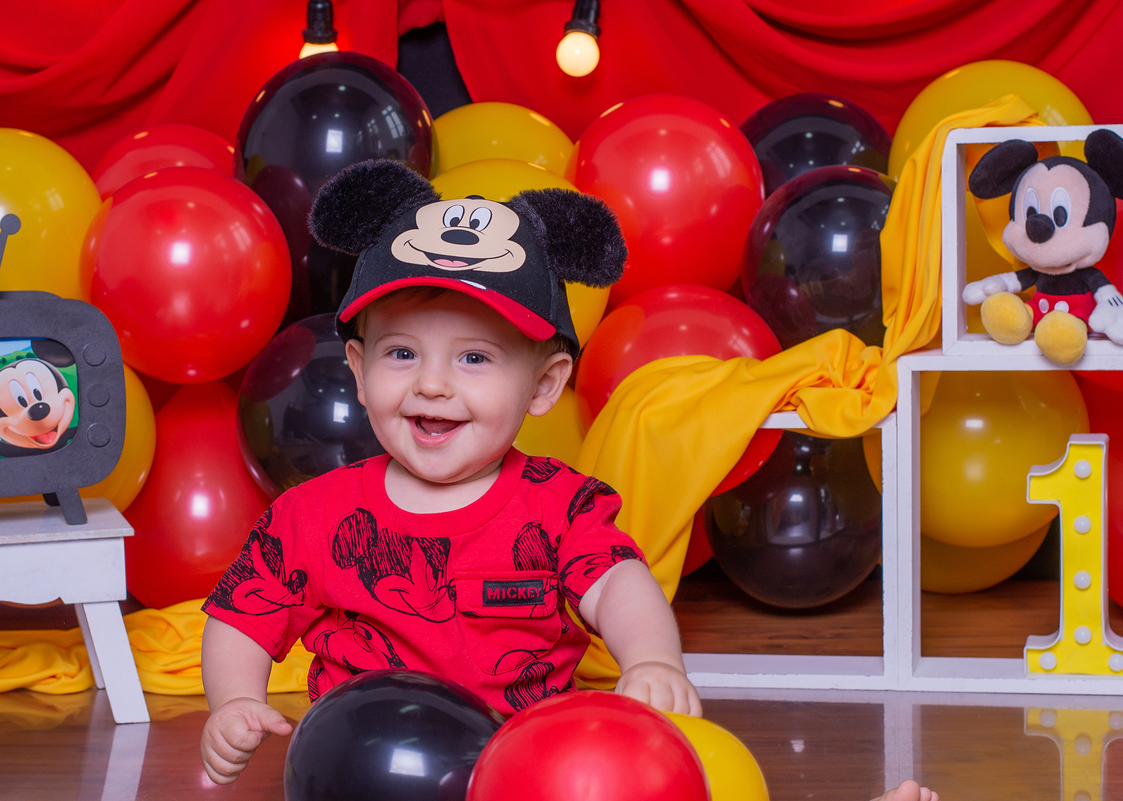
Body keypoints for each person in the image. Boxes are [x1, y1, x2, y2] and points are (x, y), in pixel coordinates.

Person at [197, 160, 940, 801]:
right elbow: (241, 615)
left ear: (545, 385)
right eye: (401, 354)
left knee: (673, 773)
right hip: (369, 776)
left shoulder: (557, 507)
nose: (432, 384)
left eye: (474, 358)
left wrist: (651, 659)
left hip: (532, 771)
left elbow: (618, 584)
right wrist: (234, 701)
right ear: (358, 371)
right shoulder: (312, 513)